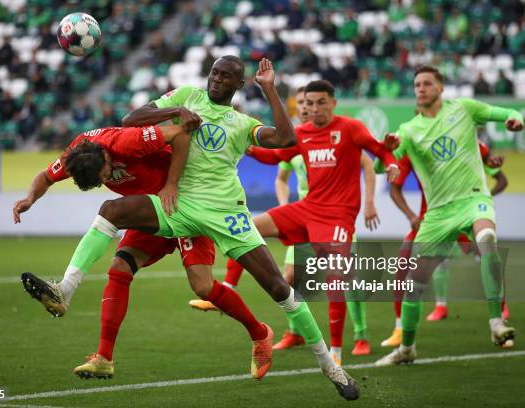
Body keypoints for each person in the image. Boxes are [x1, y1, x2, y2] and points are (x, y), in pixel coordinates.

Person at [44, 57, 361, 400]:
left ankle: (332, 367)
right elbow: (130, 119)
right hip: (178, 204)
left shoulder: (242, 123)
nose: (217, 80)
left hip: (226, 213)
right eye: (214, 73)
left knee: (278, 288)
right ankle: (67, 288)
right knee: (111, 210)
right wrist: (178, 111)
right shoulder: (187, 96)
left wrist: (269, 88)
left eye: (226, 77)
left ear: (239, 85)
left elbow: (285, 138)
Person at [14, 124, 272, 381]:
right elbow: (46, 176)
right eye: (100, 181)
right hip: (151, 211)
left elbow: (180, 133)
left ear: (105, 156)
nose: (105, 180)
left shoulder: (127, 141)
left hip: (188, 202)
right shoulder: (77, 155)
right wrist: (29, 199)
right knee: (119, 267)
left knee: (203, 287)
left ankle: (259, 333)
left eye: (104, 175)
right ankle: (104, 357)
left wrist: (171, 184)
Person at [190, 86, 382, 358]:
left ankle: (359, 337)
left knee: (341, 279)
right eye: (303, 104)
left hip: (335, 218)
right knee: (289, 276)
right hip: (303, 215)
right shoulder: (297, 139)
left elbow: (367, 161)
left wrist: (371, 201)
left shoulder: (341, 135)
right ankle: (292, 331)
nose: (307, 108)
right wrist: (244, 143)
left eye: (312, 103)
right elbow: (279, 171)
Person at [375, 65, 523, 366]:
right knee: (413, 286)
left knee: (487, 238)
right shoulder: (409, 131)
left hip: (472, 199)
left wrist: (514, 120)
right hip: (438, 213)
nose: (420, 89)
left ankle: (496, 322)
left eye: (427, 83)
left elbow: (507, 112)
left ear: (441, 88)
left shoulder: (465, 109)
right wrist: (384, 152)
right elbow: (384, 168)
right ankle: (407, 348)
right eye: (417, 84)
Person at [377, 140, 508, 348]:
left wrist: (481, 200)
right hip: (432, 220)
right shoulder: (414, 148)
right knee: (403, 267)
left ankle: (499, 318)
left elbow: (500, 177)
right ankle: (401, 328)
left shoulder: (468, 142)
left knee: (486, 254)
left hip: (465, 215)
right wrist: (411, 216)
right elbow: (394, 187)